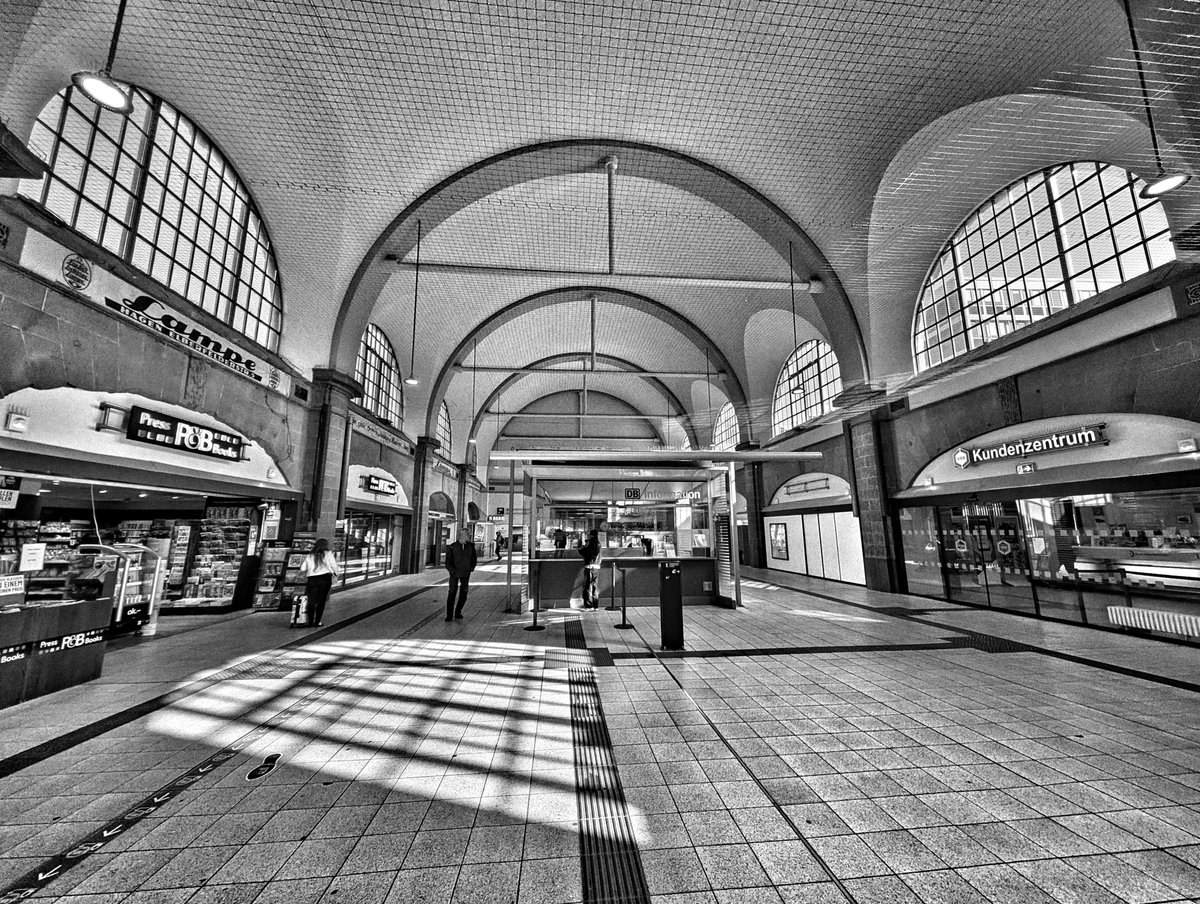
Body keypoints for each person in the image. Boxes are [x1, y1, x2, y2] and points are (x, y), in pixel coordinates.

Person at [299, 538, 339, 627]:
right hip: (325, 579)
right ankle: (317, 622)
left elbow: (302, 568)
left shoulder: (310, 555)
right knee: (321, 601)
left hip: (312, 579)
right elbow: (334, 566)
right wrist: (336, 575)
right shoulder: (328, 554)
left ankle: (310, 622)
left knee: (311, 601)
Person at [445, 528, 478, 621]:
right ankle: (449, 615)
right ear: (462, 535)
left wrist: (471, 568)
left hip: (465, 573)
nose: (469, 536)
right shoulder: (452, 546)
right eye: (467, 534)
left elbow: (474, 559)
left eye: (468, 534)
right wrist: (452, 571)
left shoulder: (471, 546)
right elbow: (448, 562)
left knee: (464, 593)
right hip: (454, 574)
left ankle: (458, 611)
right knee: (452, 593)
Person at [580, 529, 601, 609]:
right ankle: (595, 605)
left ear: (591, 535)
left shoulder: (590, 542)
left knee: (587, 586)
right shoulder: (599, 543)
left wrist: (580, 550)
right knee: (595, 586)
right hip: (596, 566)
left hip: (589, 565)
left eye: (589, 534)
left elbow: (587, 553)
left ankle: (588, 604)